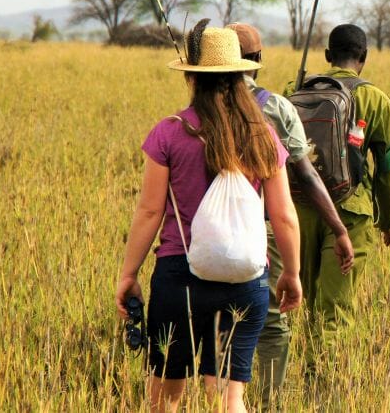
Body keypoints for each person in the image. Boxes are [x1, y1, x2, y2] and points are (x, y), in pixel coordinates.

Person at [116, 21, 302, 413]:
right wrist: (292, 274)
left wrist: (128, 275)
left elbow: (150, 211)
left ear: (191, 78)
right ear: (242, 74)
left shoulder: (169, 132)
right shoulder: (263, 134)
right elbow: (283, 216)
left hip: (178, 275)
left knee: (165, 396)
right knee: (226, 397)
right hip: (244, 279)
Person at [226, 22, 355, 408]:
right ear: (258, 61)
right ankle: (266, 401)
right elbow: (307, 174)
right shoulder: (275, 107)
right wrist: (339, 228)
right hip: (260, 231)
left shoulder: (195, 111)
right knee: (269, 324)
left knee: (212, 320)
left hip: (199, 233)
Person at [283, 23, 390, 375]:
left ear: (326, 56)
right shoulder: (375, 99)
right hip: (351, 214)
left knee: (298, 300)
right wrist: (387, 219)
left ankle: (297, 377)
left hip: (298, 209)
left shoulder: (294, 90)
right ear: (363, 59)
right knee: (335, 309)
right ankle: (324, 383)